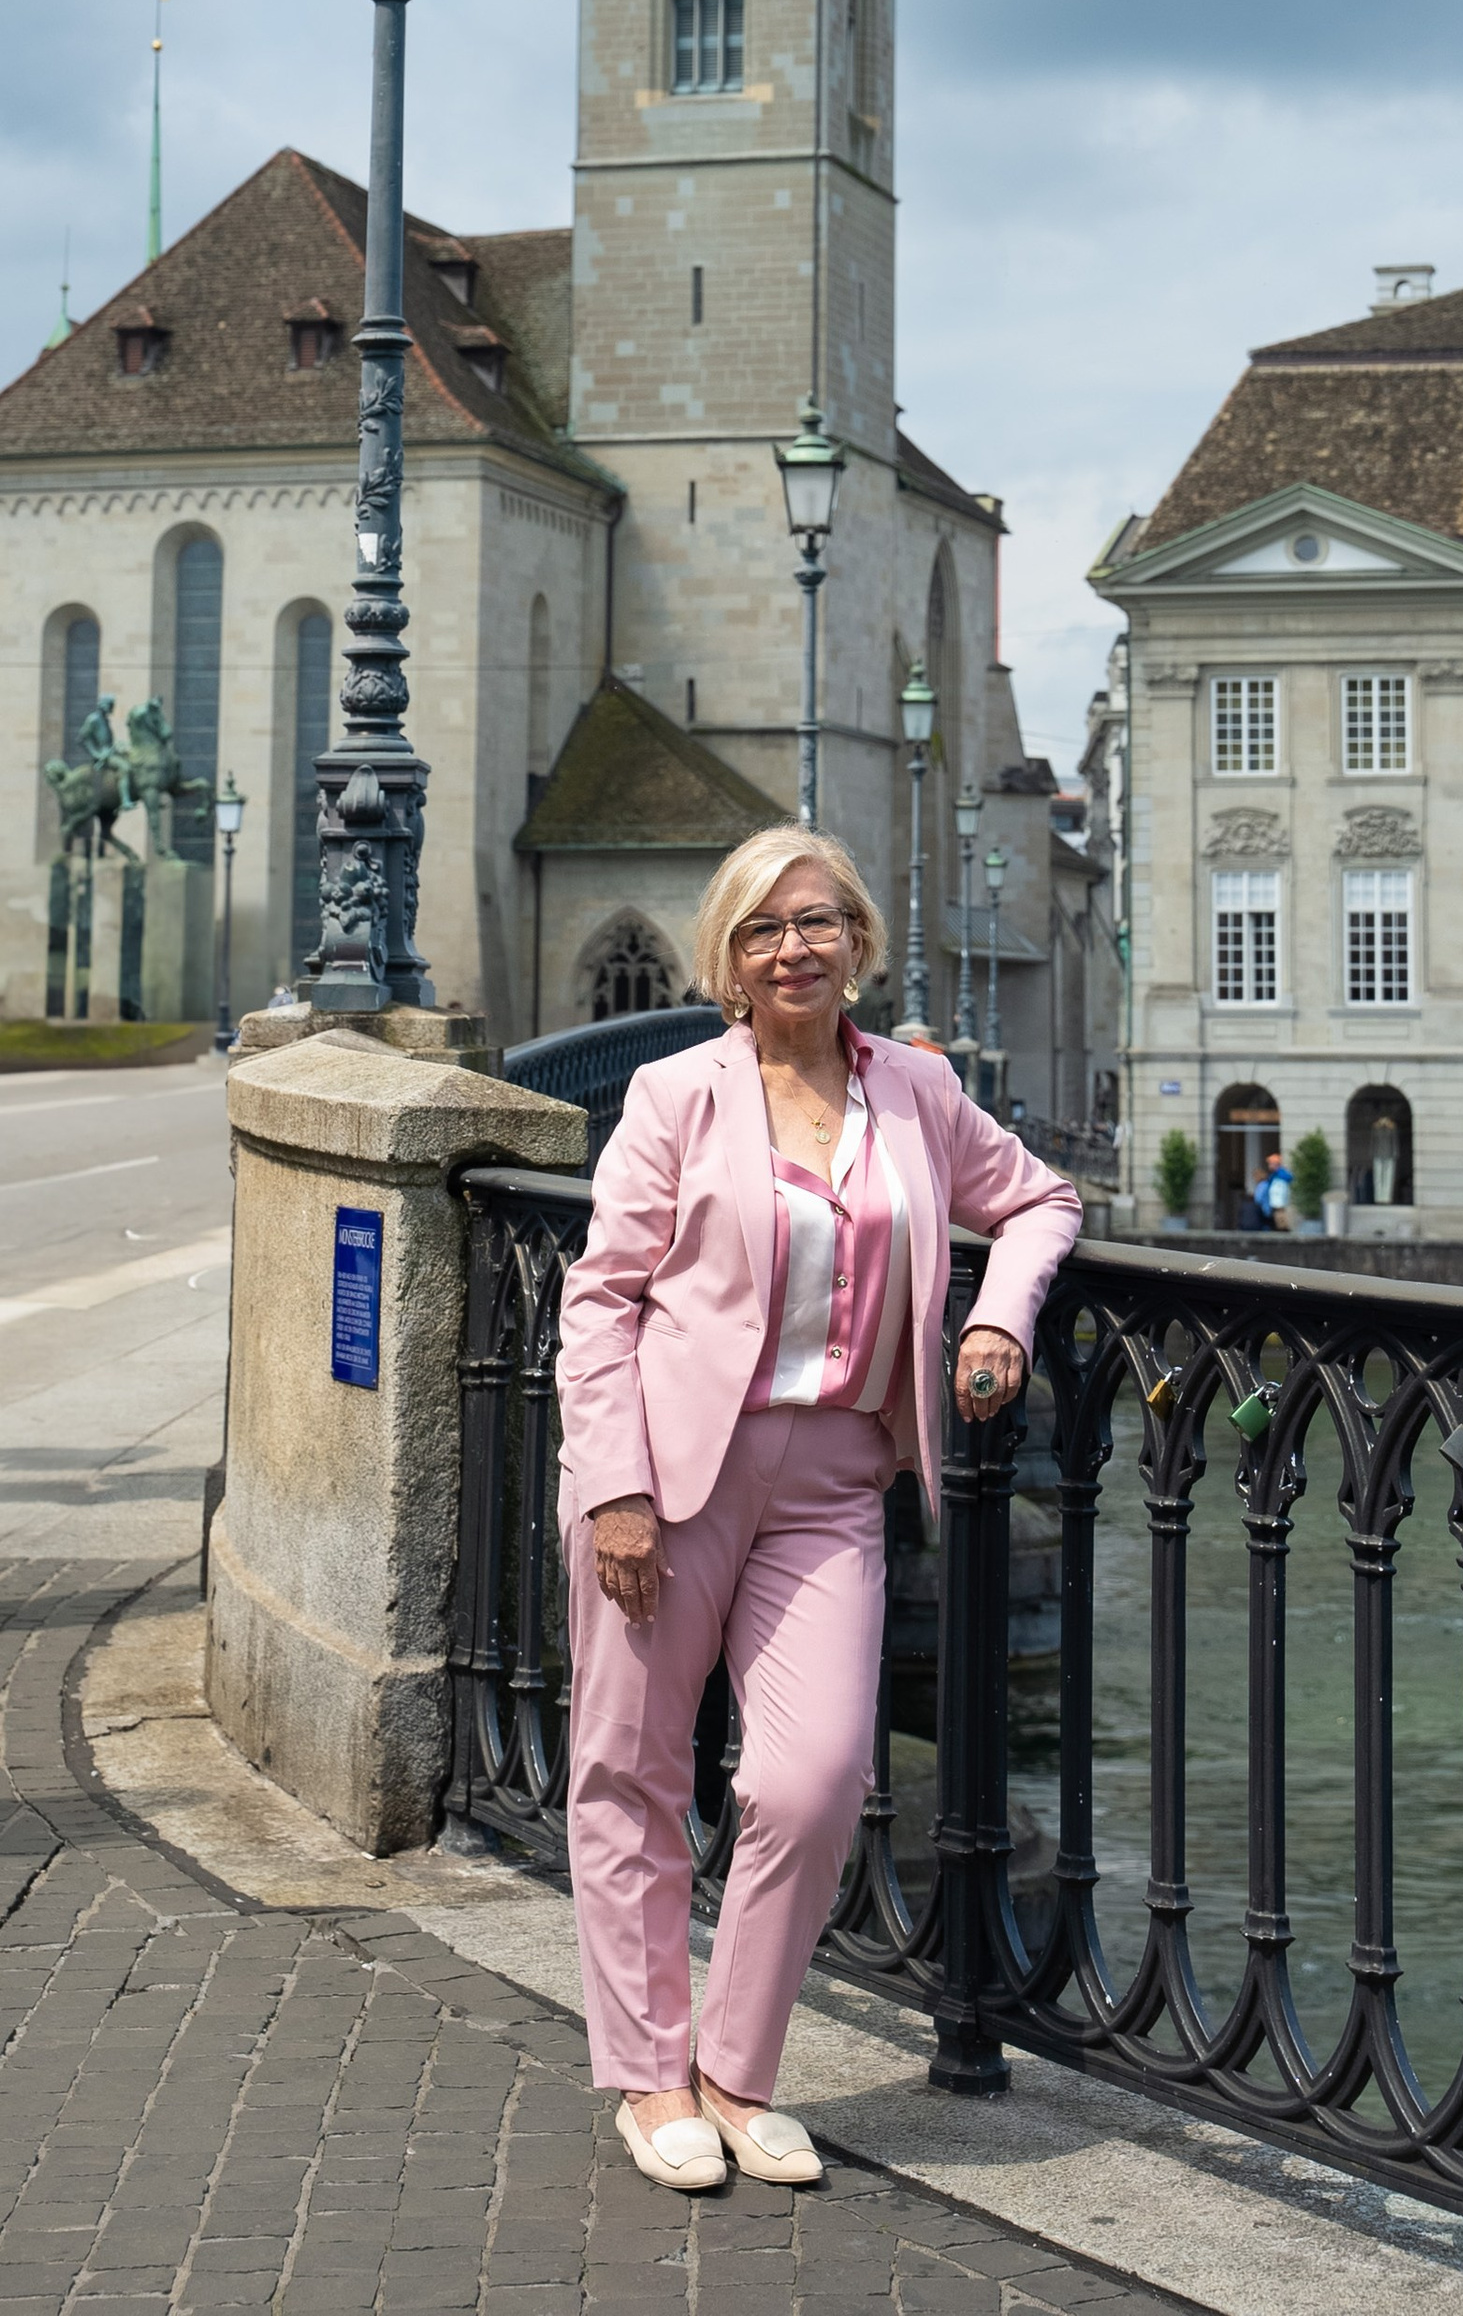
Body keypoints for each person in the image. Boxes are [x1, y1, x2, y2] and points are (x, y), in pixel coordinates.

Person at [554, 823, 1082, 2195]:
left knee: (817, 1772)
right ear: (730, 960)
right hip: (672, 1474)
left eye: (817, 920)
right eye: (763, 928)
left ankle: (738, 2068)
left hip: (838, 1475)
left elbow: (1040, 1201)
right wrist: (613, 1487)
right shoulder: (675, 1095)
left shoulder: (914, 1091)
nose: (794, 945)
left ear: (858, 937)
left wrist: (998, 1318)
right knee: (634, 1767)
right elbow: (601, 1296)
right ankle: (652, 2072)